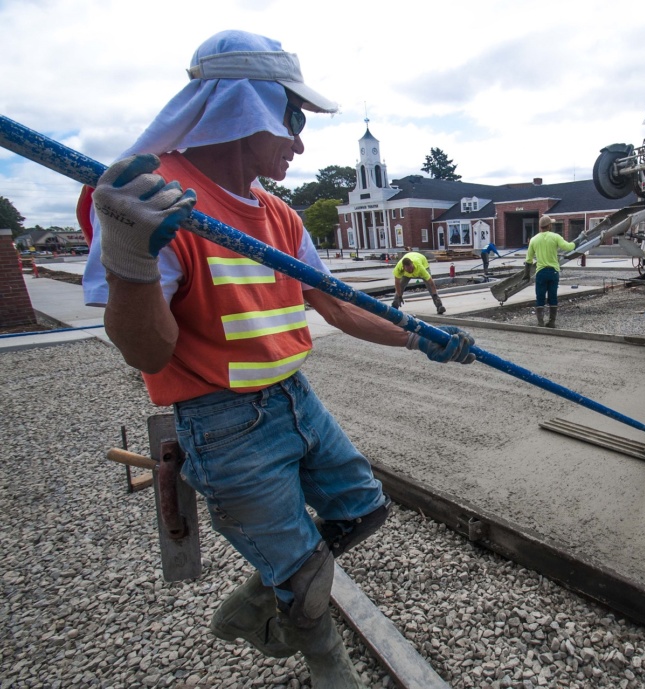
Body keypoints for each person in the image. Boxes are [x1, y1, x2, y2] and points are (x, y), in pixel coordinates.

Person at [86, 30, 476, 689]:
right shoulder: (156, 201)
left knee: (363, 507)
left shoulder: (277, 215)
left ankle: (266, 595)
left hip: (293, 396)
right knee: (305, 570)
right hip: (219, 420)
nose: (300, 140)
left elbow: (335, 303)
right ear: (247, 109)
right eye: (292, 118)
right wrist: (131, 263)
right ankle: (325, 657)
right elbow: (148, 351)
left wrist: (418, 334)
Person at [525, 215, 575, 328]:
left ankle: (540, 322)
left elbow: (528, 259)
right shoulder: (555, 237)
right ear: (549, 226)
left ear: (540, 227)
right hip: (553, 272)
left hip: (541, 272)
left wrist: (526, 274)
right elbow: (568, 247)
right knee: (553, 296)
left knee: (540, 297)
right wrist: (579, 240)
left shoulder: (534, 239)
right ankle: (552, 322)